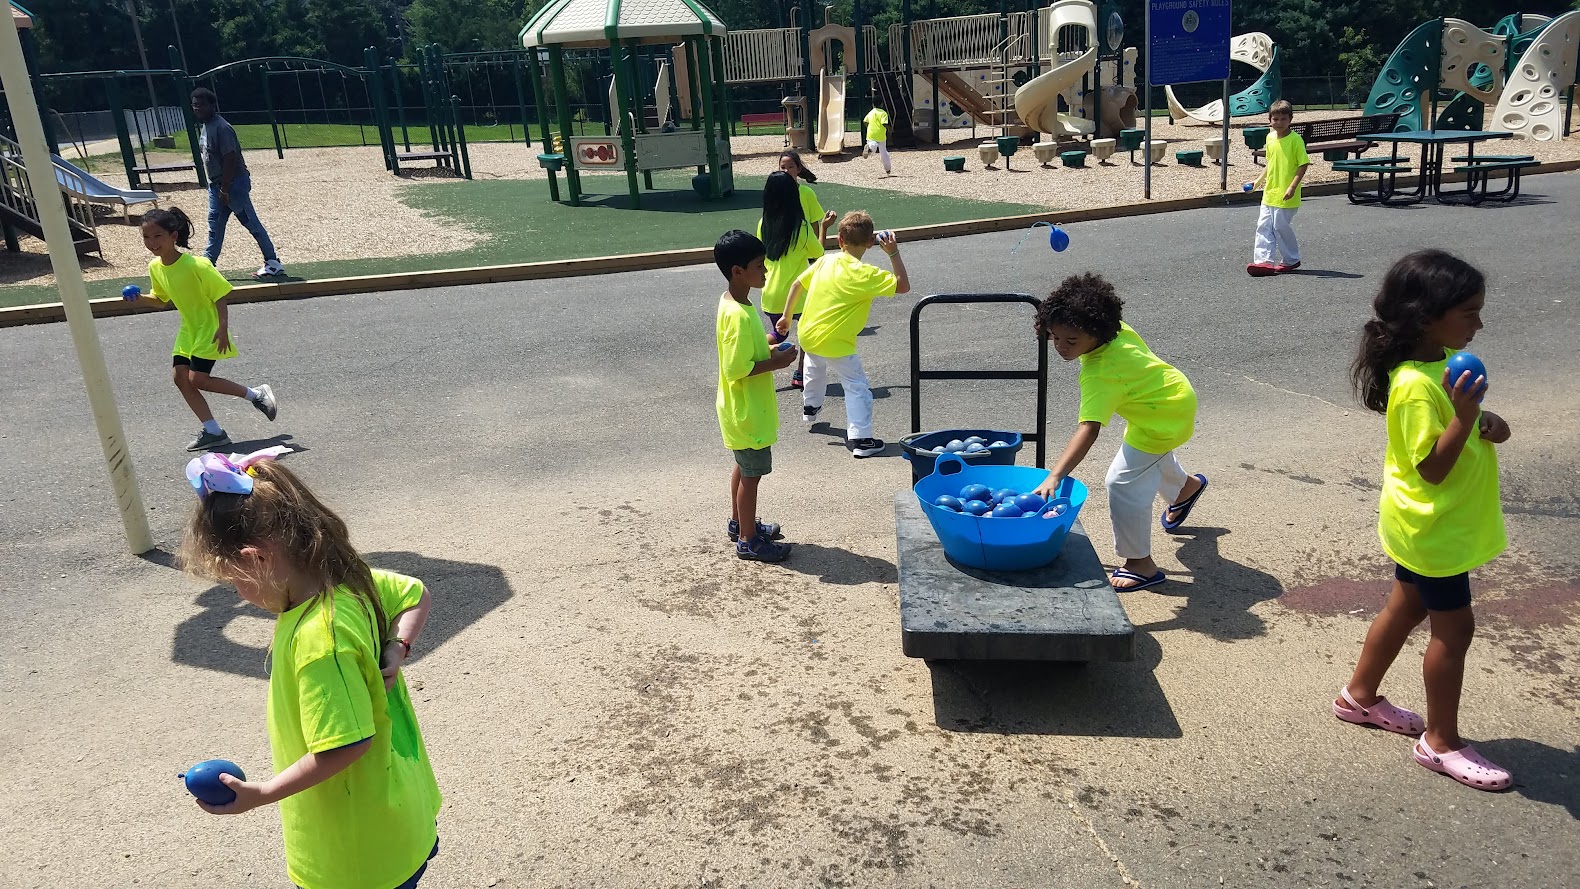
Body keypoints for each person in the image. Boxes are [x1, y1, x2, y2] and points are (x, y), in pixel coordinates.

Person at [182, 452, 444, 887]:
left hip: (359, 854)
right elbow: (415, 594)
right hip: (398, 811)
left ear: (257, 559)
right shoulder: (349, 581)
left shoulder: (320, 641)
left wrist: (262, 794)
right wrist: (397, 647)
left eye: (234, 580)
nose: (240, 593)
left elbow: (347, 745)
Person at [1336, 249, 1512, 791]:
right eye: (1470, 312)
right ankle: (1441, 741)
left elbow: (1456, 429)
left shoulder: (1444, 363)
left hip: (1428, 523)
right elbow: (1433, 467)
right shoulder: (1413, 384)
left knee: (1406, 606)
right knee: (1454, 631)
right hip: (1434, 525)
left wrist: (1484, 421)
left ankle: (1358, 697)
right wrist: (1465, 416)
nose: (1480, 323)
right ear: (1426, 317)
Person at [1029, 273, 1207, 591]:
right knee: (1146, 460)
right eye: (1054, 337)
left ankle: (1140, 565)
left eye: (1072, 341)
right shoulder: (1115, 330)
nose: (1061, 347)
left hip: (1161, 420)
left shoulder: (1100, 373)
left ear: (1096, 331)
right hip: (1170, 395)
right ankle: (1185, 489)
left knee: (1122, 482)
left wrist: (1055, 475)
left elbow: (1089, 429)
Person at [126, 207, 277, 452]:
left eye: (157, 236)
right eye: (146, 237)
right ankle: (213, 431)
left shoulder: (197, 264)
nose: (152, 243)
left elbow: (221, 294)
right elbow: (161, 300)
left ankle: (256, 395)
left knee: (198, 379)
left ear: (173, 236)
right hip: (188, 329)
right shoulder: (155, 267)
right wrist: (140, 299)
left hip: (209, 326)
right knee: (180, 378)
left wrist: (223, 327)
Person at [778, 211, 909, 458]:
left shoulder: (825, 261)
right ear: (870, 243)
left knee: (813, 366)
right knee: (856, 386)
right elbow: (902, 286)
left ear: (839, 240)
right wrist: (893, 253)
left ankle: (810, 406)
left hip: (808, 332)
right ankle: (861, 439)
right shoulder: (867, 274)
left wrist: (786, 316)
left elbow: (797, 284)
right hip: (837, 342)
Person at [715, 230, 799, 562]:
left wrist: (770, 340)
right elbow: (737, 368)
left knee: (743, 467)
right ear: (738, 271)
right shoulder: (738, 314)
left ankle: (740, 523)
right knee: (752, 475)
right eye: (760, 266)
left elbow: (744, 348)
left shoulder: (733, 302)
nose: (765, 271)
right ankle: (748, 540)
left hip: (740, 409)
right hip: (748, 412)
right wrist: (776, 362)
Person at [191, 87, 286, 279]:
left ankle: (273, 262)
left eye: (202, 105)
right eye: (195, 105)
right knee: (214, 225)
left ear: (213, 105)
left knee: (250, 223)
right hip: (217, 186)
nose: (198, 109)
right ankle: (207, 264)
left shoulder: (222, 128)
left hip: (233, 185)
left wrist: (225, 189)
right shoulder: (206, 126)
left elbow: (230, 158)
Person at [776, 151, 838, 389]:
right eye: (782, 167)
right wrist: (824, 230)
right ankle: (758, 361)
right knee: (795, 328)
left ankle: (798, 371)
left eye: (790, 167)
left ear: (799, 169)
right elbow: (816, 247)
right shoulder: (778, 198)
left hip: (795, 271)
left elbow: (813, 235)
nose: (785, 171)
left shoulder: (806, 194)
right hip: (793, 274)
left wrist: (820, 231)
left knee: (796, 328)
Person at [758, 172, 825, 387]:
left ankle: (752, 353)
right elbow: (818, 252)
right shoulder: (801, 227)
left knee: (778, 335)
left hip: (770, 291)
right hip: (798, 293)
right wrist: (824, 228)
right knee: (807, 333)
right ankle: (800, 374)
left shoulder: (763, 223)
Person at [1246, 99, 1308, 277]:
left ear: (1290, 119)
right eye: (1275, 119)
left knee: (1280, 226)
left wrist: (1292, 187)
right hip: (1270, 192)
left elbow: (1303, 164)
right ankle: (1263, 261)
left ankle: (1291, 259)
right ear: (1269, 120)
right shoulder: (1270, 138)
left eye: (1283, 119)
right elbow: (1270, 163)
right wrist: (1258, 182)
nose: (1279, 123)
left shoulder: (1295, 140)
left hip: (1286, 193)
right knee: (1263, 225)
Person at [862, 102, 892, 176]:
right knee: (884, 153)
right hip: (881, 135)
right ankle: (887, 169)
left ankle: (869, 147)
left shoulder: (871, 112)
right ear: (881, 104)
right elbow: (884, 123)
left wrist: (868, 127)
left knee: (873, 147)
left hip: (871, 133)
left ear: (873, 104)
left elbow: (865, 121)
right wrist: (889, 129)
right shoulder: (883, 113)